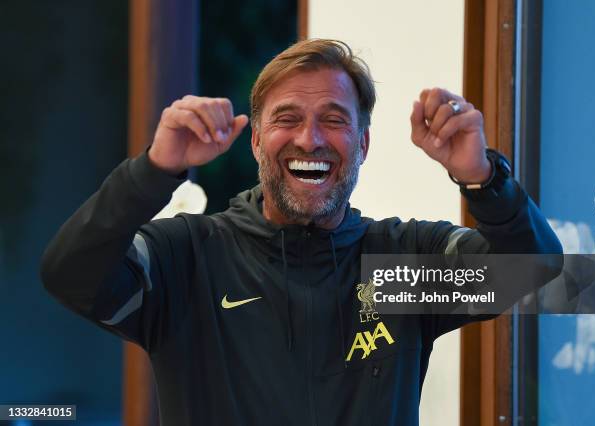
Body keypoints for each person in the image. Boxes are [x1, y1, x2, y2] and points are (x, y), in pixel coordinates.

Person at [41, 39, 561, 425]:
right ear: (257, 142)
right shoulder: (189, 257)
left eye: (333, 120)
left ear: (362, 145)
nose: (309, 139)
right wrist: (154, 171)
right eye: (287, 118)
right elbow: (69, 274)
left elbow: (534, 272)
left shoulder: (399, 266)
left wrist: (482, 179)